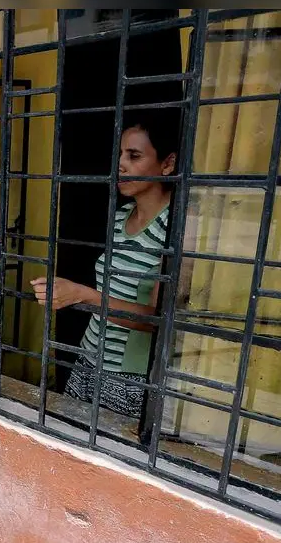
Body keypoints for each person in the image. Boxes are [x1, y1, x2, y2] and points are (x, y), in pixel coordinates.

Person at [31, 111, 178, 418]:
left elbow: (156, 320)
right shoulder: (121, 217)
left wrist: (83, 295)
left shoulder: (174, 229)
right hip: (88, 360)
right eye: (121, 155)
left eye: (134, 156)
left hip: (128, 379)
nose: (121, 164)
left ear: (167, 164)